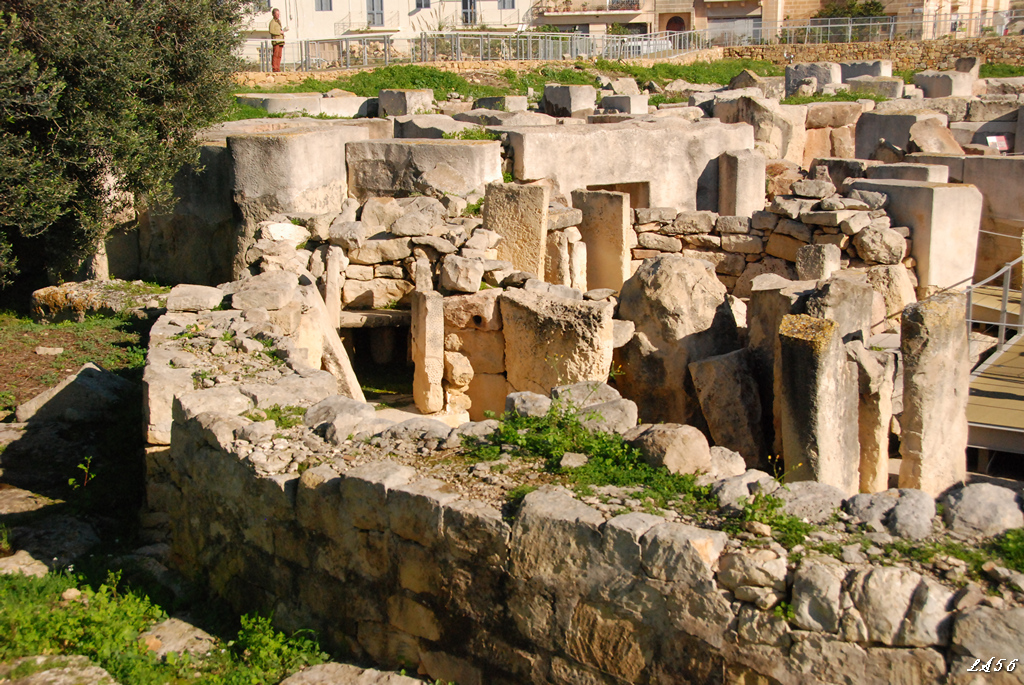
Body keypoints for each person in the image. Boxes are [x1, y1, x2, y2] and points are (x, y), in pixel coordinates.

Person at [269, 8, 286, 72]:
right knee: (275, 54)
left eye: (279, 14)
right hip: (276, 41)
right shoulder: (272, 22)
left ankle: (278, 67)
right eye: (277, 14)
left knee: (279, 55)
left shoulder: (278, 22)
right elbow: (271, 31)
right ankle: (275, 68)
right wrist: (279, 32)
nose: (278, 15)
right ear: (273, 14)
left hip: (280, 41)